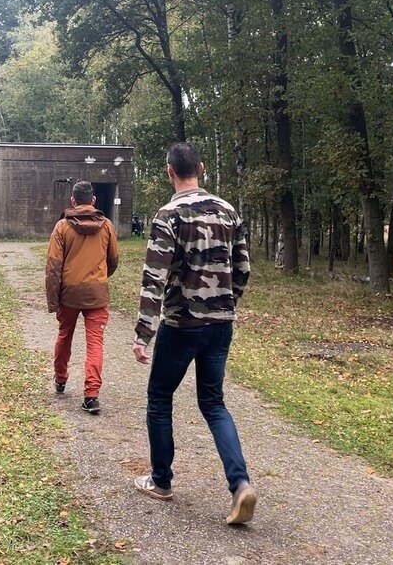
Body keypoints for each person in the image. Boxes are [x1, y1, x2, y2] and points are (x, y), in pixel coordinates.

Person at [131, 141, 256, 525]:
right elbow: (243, 269)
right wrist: (225, 303)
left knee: (159, 397)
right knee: (214, 404)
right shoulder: (228, 211)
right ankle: (240, 485)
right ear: (200, 168)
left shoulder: (168, 215)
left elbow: (155, 278)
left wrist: (142, 334)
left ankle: (161, 481)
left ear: (170, 171)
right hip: (220, 325)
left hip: (181, 324)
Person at [46, 180, 119, 415]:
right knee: (95, 344)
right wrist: (99, 276)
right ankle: (91, 395)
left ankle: (60, 379)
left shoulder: (61, 227)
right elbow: (113, 259)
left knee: (64, 336)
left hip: (69, 293)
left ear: (73, 201)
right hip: (96, 293)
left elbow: (53, 267)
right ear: (93, 201)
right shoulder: (107, 225)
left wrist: (53, 299)